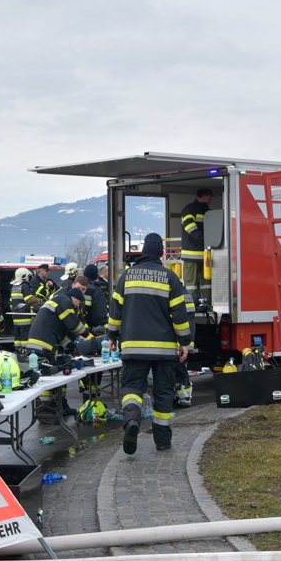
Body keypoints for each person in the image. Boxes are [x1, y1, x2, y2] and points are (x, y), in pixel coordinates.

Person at [107, 232, 191, 455]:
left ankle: (132, 420)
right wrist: (184, 342)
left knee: (132, 388)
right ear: (161, 254)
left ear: (143, 252)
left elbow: (116, 312)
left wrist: (112, 337)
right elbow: (179, 314)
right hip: (164, 350)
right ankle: (162, 441)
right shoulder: (170, 277)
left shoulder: (126, 276)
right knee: (163, 393)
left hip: (133, 347)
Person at [27, 285, 86, 421]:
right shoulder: (64, 300)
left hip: (48, 344)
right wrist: (87, 335)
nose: (78, 307)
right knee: (45, 378)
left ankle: (60, 404)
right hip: (41, 345)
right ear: (74, 298)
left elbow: (62, 334)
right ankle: (45, 410)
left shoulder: (62, 303)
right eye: (79, 303)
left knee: (60, 372)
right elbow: (73, 325)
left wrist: (72, 346)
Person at [180, 188, 213, 301]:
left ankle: (206, 303)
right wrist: (205, 239)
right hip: (192, 255)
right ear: (203, 197)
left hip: (205, 255)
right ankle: (191, 305)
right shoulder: (189, 209)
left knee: (207, 283)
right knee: (191, 284)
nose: (211, 200)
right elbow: (190, 228)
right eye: (209, 197)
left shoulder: (208, 211)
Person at [9, 267, 36, 353]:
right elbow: (30, 302)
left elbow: (11, 303)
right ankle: (25, 351)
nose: (29, 278)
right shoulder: (25, 287)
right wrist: (33, 313)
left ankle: (17, 351)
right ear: (24, 276)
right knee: (25, 337)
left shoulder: (13, 287)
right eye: (28, 276)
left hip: (16, 318)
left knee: (17, 337)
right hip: (25, 318)